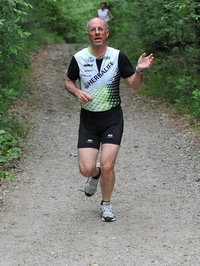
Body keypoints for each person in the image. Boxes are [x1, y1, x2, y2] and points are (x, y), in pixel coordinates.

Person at [65, 17, 154, 222]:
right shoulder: (78, 58)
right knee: (86, 168)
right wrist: (77, 91)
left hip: (112, 117)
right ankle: (93, 176)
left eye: (100, 29)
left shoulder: (117, 57)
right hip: (89, 119)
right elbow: (68, 81)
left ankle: (106, 204)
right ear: (88, 35)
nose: (97, 32)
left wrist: (139, 70)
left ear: (107, 33)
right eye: (93, 30)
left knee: (107, 165)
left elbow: (134, 85)